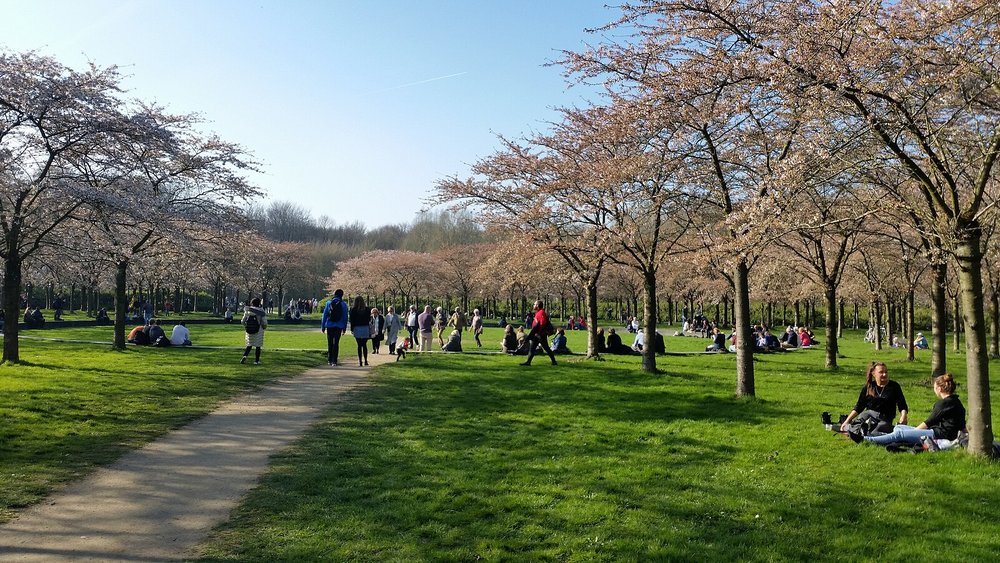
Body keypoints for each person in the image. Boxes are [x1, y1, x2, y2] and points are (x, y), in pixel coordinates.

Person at [852, 373, 965, 447]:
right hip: (941, 432)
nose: (934, 390)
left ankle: (867, 440)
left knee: (900, 433)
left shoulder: (944, 403)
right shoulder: (956, 401)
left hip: (940, 434)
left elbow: (928, 422)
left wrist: (913, 432)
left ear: (939, 388)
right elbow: (962, 424)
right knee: (899, 427)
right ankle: (879, 436)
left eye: (934, 388)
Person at [839, 361, 909, 434]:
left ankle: (862, 432)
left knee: (877, 431)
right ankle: (855, 429)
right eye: (881, 372)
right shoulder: (868, 387)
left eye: (886, 372)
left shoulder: (894, 386)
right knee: (859, 427)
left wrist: (903, 416)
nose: (884, 374)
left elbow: (902, 404)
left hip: (884, 419)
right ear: (873, 374)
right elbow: (859, 406)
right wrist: (847, 421)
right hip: (868, 416)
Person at [520, 299, 557, 366]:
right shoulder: (538, 313)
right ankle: (528, 362)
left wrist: (540, 333)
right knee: (533, 348)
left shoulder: (541, 312)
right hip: (537, 334)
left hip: (539, 335)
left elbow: (543, 323)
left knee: (545, 348)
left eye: (534, 304)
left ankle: (554, 361)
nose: (533, 305)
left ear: (537, 305)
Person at [321, 289, 348, 366]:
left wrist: (323, 326)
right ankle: (334, 361)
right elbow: (345, 317)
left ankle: (329, 359)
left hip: (330, 325)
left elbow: (325, 315)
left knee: (330, 343)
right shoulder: (343, 304)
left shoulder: (328, 303)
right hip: (339, 326)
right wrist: (344, 327)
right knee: (336, 343)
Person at [240, 298, 267, 364]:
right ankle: (256, 361)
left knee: (249, 344)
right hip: (258, 330)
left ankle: (245, 356)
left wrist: (246, 325)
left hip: (249, 330)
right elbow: (264, 322)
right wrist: (264, 327)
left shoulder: (247, 310)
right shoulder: (261, 311)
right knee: (258, 346)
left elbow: (242, 321)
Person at [349, 296, 372, 366]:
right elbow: (369, 319)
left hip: (357, 328)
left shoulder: (353, 310)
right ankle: (365, 360)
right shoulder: (367, 309)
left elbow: (351, 321)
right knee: (364, 345)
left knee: (359, 345)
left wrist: (352, 329)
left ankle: (360, 361)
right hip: (365, 328)